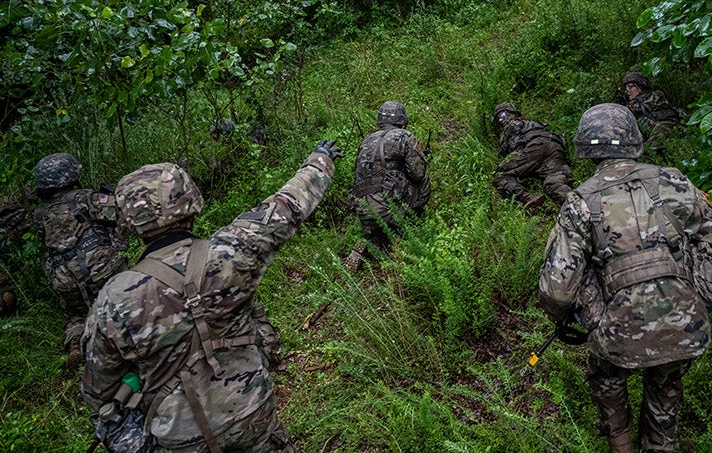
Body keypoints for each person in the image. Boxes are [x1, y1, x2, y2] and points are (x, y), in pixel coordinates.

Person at [81, 140, 343, 453]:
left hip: (180, 438)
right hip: (250, 411)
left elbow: (99, 391)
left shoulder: (115, 298)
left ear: (130, 223)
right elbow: (289, 204)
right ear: (190, 200)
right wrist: (319, 160)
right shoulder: (233, 250)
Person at [538, 104, 712, 453]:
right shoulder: (676, 183)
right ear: (633, 140)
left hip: (617, 336)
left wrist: (580, 315)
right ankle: (661, 443)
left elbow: (558, 288)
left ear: (586, 146)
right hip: (684, 327)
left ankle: (620, 443)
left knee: (607, 375)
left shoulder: (581, 202)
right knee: (667, 380)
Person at [32, 153, 128, 368]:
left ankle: (75, 343)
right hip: (100, 266)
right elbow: (120, 213)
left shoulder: (39, 213)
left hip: (64, 277)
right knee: (123, 297)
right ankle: (124, 331)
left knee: (76, 314)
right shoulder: (84, 198)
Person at [346, 101, 431, 269]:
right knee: (424, 182)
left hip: (363, 211)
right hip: (388, 208)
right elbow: (417, 173)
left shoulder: (366, 140)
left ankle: (372, 242)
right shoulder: (405, 136)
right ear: (402, 119)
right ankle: (411, 226)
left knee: (382, 227)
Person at [492, 102, 573, 211]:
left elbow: (504, 152)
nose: (502, 120)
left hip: (534, 148)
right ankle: (579, 204)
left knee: (500, 175)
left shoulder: (513, 124)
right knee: (553, 183)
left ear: (512, 113)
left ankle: (528, 197)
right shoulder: (535, 123)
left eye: (503, 116)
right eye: (499, 118)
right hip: (555, 149)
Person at [619, 72, 686, 140]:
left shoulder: (653, 96)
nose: (627, 91)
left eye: (630, 87)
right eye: (626, 88)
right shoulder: (633, 103)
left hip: (665, 128)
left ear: (640, 87)